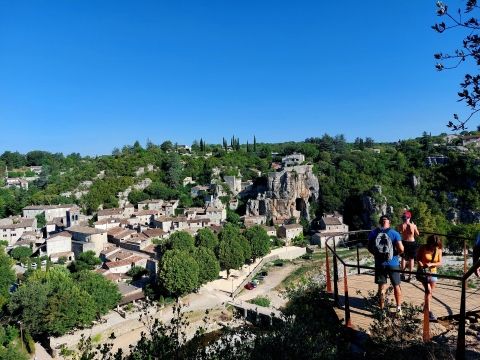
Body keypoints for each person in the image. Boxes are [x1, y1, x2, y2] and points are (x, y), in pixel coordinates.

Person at [368, 215, 404, 314]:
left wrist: (377, 255)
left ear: (380, 222)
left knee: (381, 287)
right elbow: (401, 249)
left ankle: (382, 310)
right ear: (389, 222)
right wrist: (395, 254)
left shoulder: (373, 233)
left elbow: (369, 247)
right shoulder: (394, 233)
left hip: (380, 263)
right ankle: (398, 308)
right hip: (393, 263)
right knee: (396, 285)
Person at [416, 234, 443, 321]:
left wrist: (431, 264)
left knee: (430, 293)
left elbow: (439, 263)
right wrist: (421, 264)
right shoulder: (423, 248)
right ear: (429, 243)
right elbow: (418, 258)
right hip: (423, 272)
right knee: (428, 291)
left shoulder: (438, 250)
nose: (434, 247)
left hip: (433, 273)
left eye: (436, 245)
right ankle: (428, 312)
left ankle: (425, 307)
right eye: (433, 245)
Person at [398, 210, 420, 282]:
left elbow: (399, 233)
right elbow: (417, 234)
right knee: (411, 259)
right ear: (409, 218)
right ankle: (410, 276)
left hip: (404, 242)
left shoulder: (401, 226)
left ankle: (403, 274)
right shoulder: (413, 226)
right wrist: (414, 226)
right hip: (412, 242)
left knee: (403, 258)